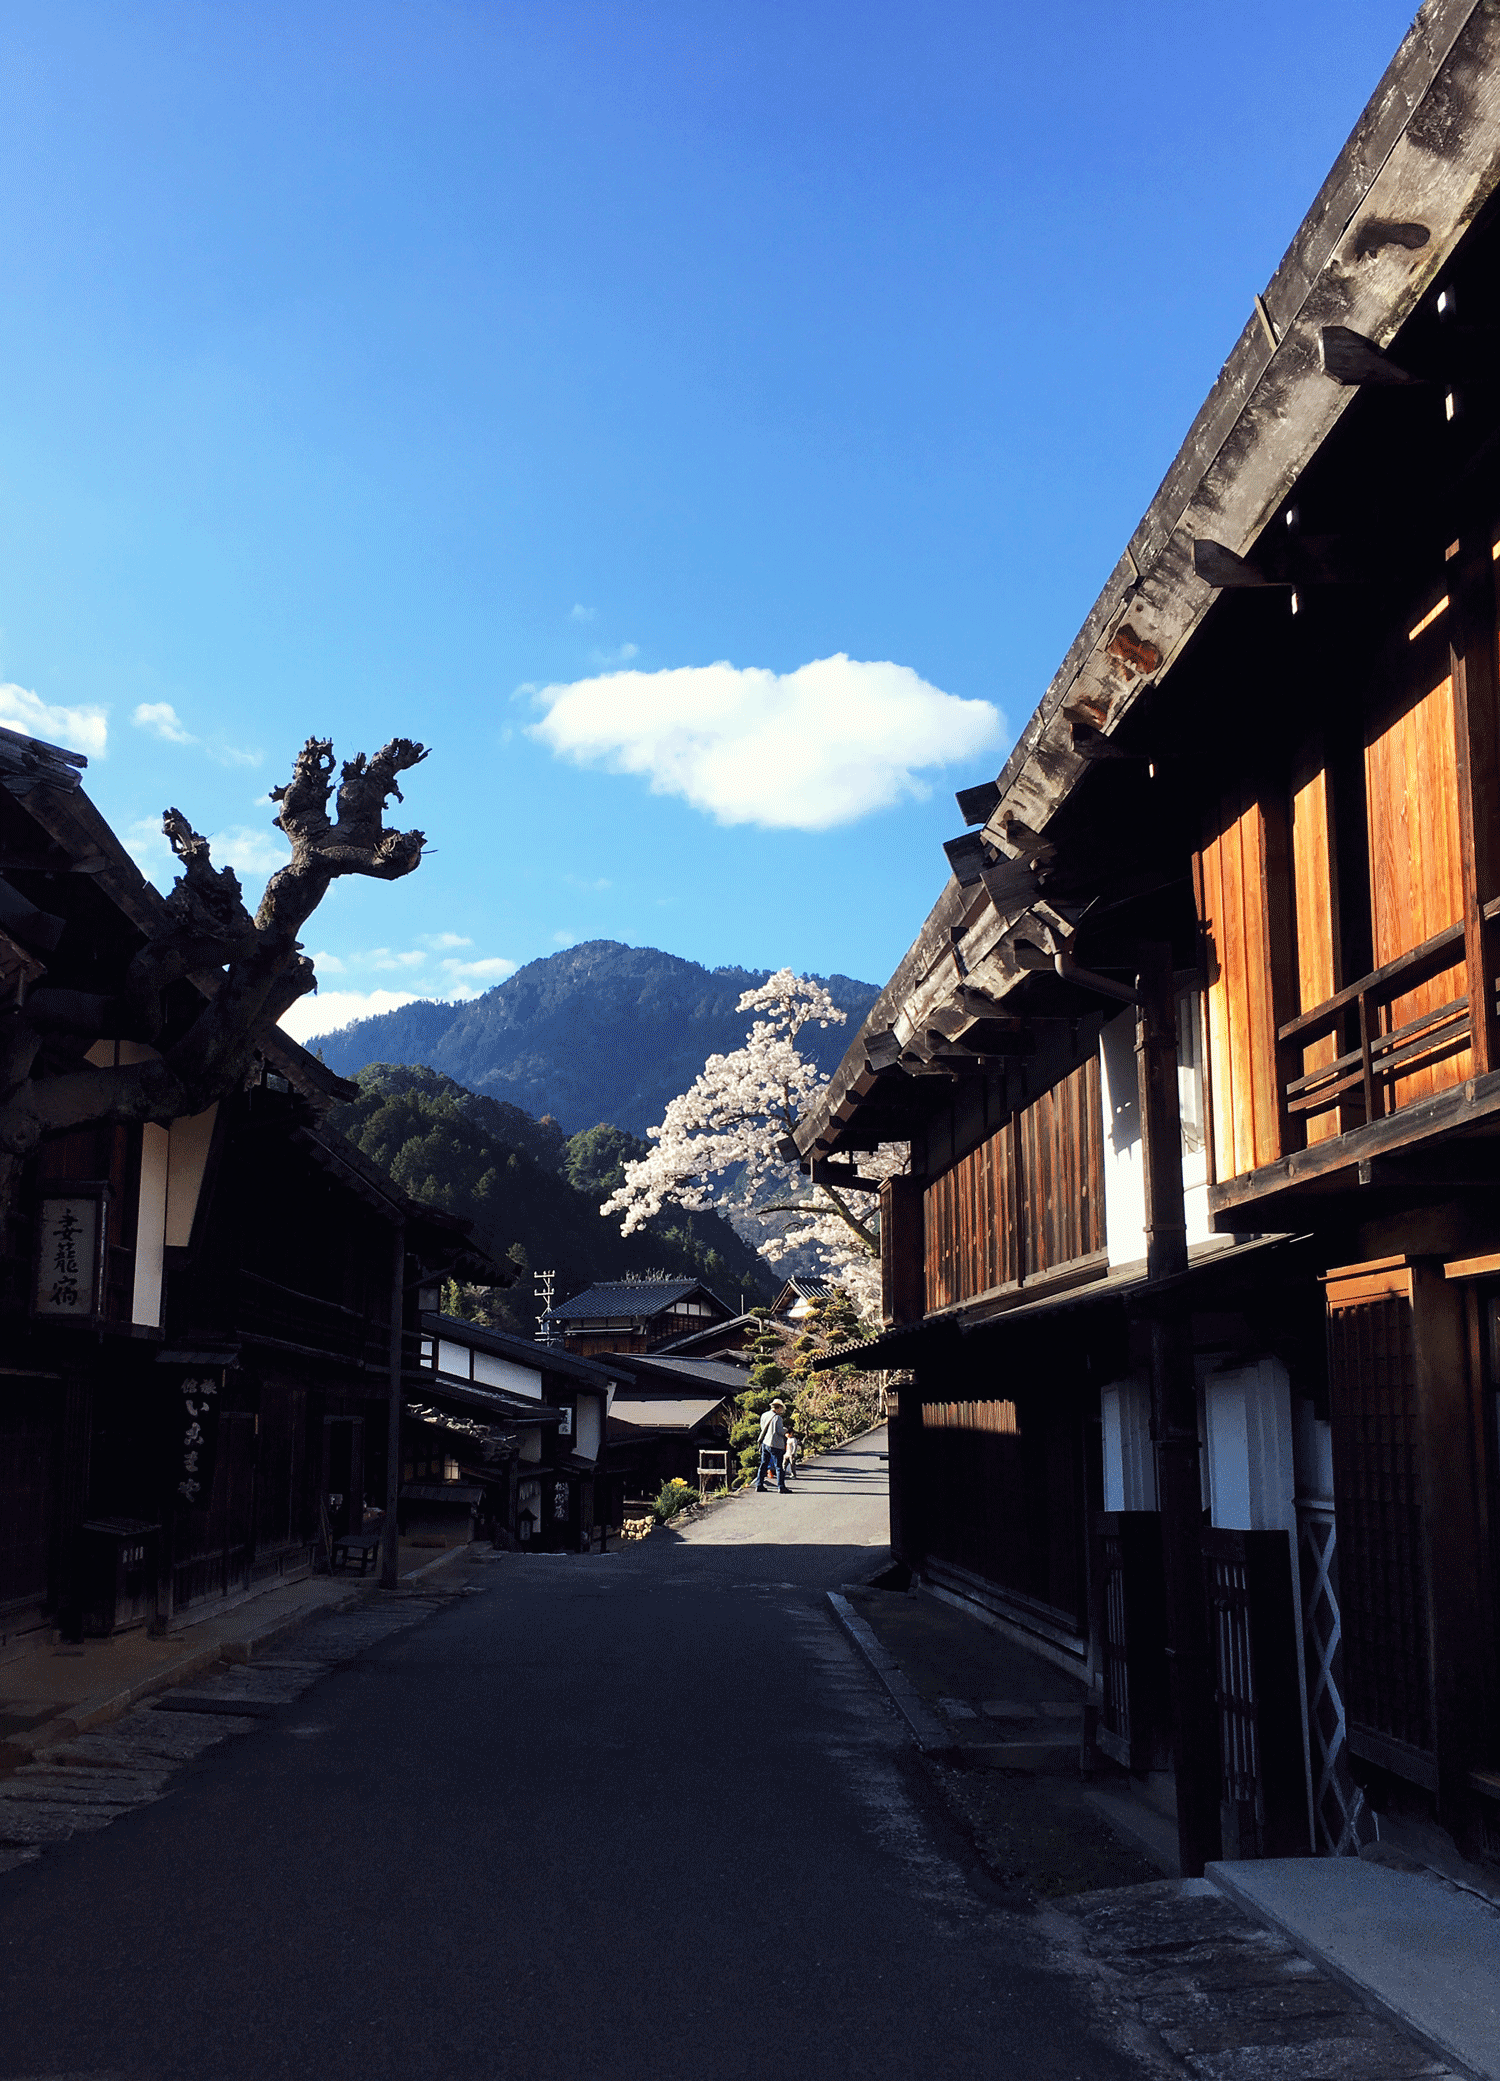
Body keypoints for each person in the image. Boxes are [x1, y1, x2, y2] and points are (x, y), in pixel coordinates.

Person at [756, 1399, 788, 1492]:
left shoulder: (764, 1415)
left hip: (765, 1442)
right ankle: (781, 1486)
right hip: (775, 1444)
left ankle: (759, 1484)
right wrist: (785, 1429)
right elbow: (779, 1431)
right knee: (779, 1466)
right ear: (778, 1408)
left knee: (763, 1464)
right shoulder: (777, 1418)